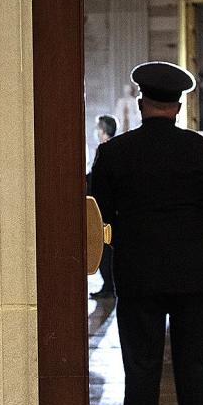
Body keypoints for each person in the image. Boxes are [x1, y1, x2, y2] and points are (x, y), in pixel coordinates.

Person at [91, 61, 203, 405]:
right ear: (180, 105)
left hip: (138, 274)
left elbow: (101, 214)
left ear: (141, 100)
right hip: (195, 275)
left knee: (140, 367)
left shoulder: (113, 152)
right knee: (198, 366)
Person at [88, 114, 118, 298]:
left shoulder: (105, 149)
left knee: (105, 248)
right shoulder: (116, 148)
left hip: (104, 206)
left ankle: (109, 285)